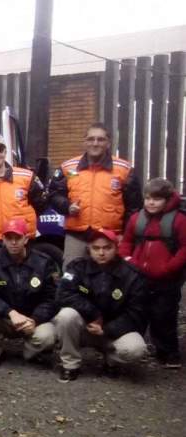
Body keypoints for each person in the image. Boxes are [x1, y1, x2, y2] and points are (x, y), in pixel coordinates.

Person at [54, 228, 148, 382]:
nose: (101, 253)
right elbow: (62, 295)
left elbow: (137, 313)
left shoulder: (132, 275)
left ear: (116, 248)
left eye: (107, 248)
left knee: (136, 349)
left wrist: (106, 329)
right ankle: (70, 365)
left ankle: (111, 362)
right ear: (88, 249)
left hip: (114, 330)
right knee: (65, 316)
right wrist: (94, 314)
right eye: (96, 248)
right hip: (86, 326)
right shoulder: (77, 267)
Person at [49, 123, 142, 268]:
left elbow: (134, 207)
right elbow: (54, 194)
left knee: (110, 282)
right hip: (77, 236)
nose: (95, 143)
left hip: (110, 237)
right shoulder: (69, 168)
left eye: (100, 139)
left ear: (108, 143)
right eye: (91, 139)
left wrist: (126, 235)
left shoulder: (123, 170)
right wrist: (67, 207)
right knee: (71, 278)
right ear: (84, 142)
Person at [0, 218, 59, 366]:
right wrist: (10, 312)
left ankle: (27, 352)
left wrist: (35, 319)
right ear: (3, 239)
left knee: (48, 336)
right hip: (4, 318)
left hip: (32, 320)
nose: (13, 242)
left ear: (25, 239)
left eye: (17, 237)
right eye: (9, 238)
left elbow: (51, 297)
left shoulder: (44, 262)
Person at [119, 177, 186, 368]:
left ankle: (169, 353)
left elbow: (184, 248)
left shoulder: (179, 220)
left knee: (164, 315)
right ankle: (139, 349)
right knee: (139, 312)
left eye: (156, 199)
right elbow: (126, 242)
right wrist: (128, 261)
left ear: (167, 199)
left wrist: (169, 268)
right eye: (148, 198)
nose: (151, 202)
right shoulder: (136, 218)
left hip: (167, 279)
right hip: (139, 277)